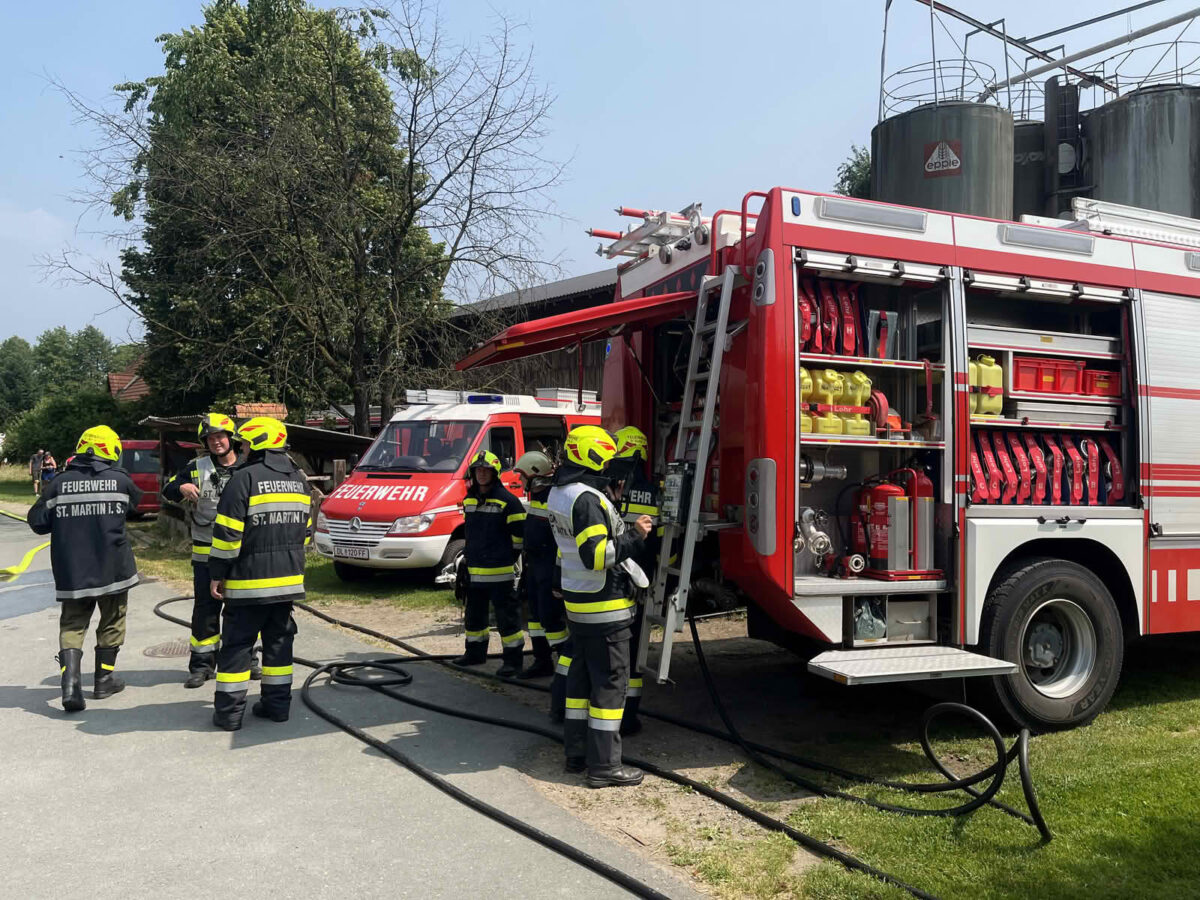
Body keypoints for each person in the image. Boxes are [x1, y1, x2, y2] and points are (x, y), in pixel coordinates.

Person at [548, 425, 652, 788]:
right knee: (609, 685)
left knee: (580, 682)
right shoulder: (587, 499)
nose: (611, 465)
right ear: (593, 456)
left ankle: (576, 755)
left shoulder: (559, 492)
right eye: (607, 457)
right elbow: (597, 556)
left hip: (578, 604)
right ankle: (605, 767)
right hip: (604, 606)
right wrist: (635, 535)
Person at [28, 426, 142, 712]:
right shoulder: (121, 481)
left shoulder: (57, 483)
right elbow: (135, 508)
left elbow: (38, 522)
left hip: (73, 572)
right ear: (111, 451)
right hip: (113, 570)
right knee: (113, 620)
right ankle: (104, 679)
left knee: (73, 624)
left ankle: (70, 686)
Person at [207, 416, 311, 731]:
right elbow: (304, 535)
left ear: (259, 444)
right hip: (287, 584)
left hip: (248, 584)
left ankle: (229, 715)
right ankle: (277, 707)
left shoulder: (245, 478)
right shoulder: (300, 479)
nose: (243, 448)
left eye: (247, 444)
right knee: (279, 644)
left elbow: (227, 536)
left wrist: (217, 573)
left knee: (238, 647)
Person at [161, 413, 251, 688]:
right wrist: (181, 485)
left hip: (240, 551)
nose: (216, 442)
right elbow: (168, 490)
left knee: (245, 610)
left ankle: (249, 661)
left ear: (231, 438)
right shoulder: (195, 467)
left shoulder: (248, 467)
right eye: (211, 438)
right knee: (205, 610)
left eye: (220, 436)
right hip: (206, 553)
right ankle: (201, 666)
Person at [607, 425, 662, 737]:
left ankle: (605, 713)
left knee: (609, 650)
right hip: (639, 582)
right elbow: (664, 539)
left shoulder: (602, 486)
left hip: (608, 578)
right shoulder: (653, 491)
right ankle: (629, 717)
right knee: (634, 653)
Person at [452, 450, 526, 677]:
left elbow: (519, 537)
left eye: (486, 471)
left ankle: (513, 662)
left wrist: (506, 557)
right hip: (474, 572)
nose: (482, 474)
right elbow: (471, 533)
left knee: (507, 621)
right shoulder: (470, 499)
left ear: (494, 474)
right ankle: (475, 654)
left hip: (500, 573)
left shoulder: (509, 502)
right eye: (478, 470)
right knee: (474, 617)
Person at [514, 450, 566, 682]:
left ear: (534, 477)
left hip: (548, 567)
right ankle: (542, 660)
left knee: (550, 618)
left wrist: (556, 576)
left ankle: (568, 664)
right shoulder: (537, 498)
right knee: (534, 617)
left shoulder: (554, 499)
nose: (520, 481)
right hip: (534, 565)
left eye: (522, 477)